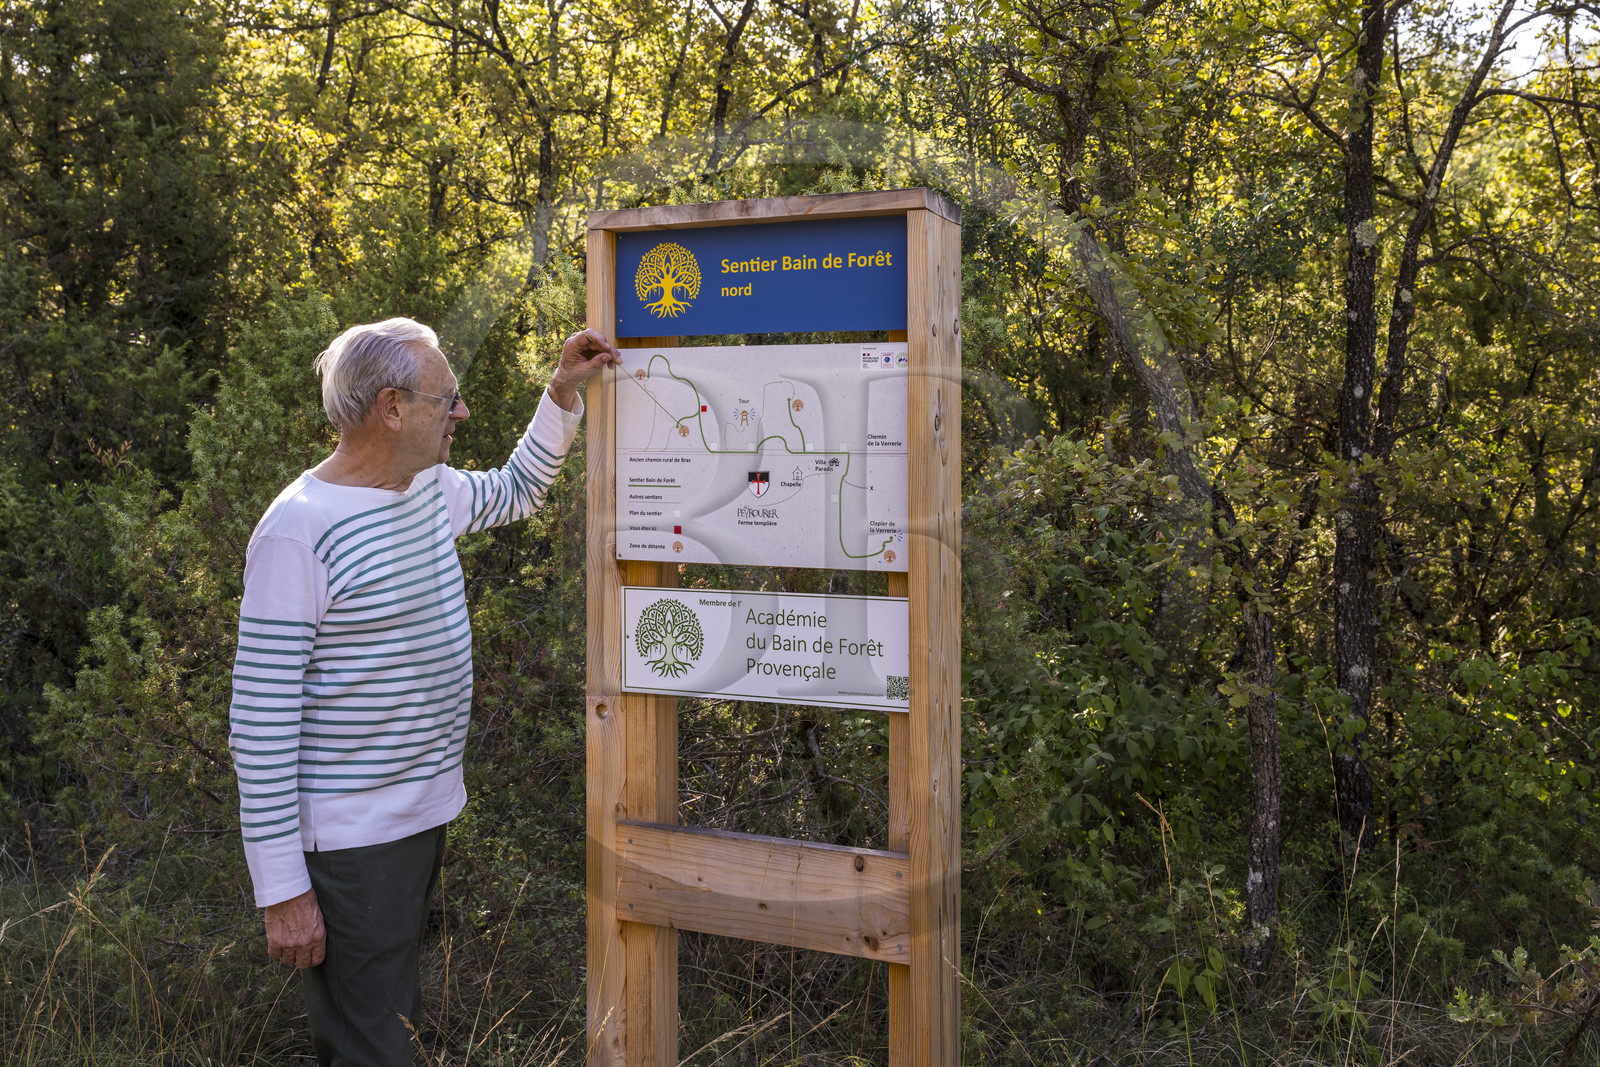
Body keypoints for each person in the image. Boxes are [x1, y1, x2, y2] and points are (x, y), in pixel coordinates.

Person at [227, 318, 619, 1065]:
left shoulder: (426, 489)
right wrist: (282, 889)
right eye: (449, 400)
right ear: (391, 408)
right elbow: (261, 721)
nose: (462, 413)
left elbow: (515, 491)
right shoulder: (299, 531)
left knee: (395, 1022)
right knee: (374, 1044)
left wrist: (561, 392)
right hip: (352, 843)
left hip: (419, 818)